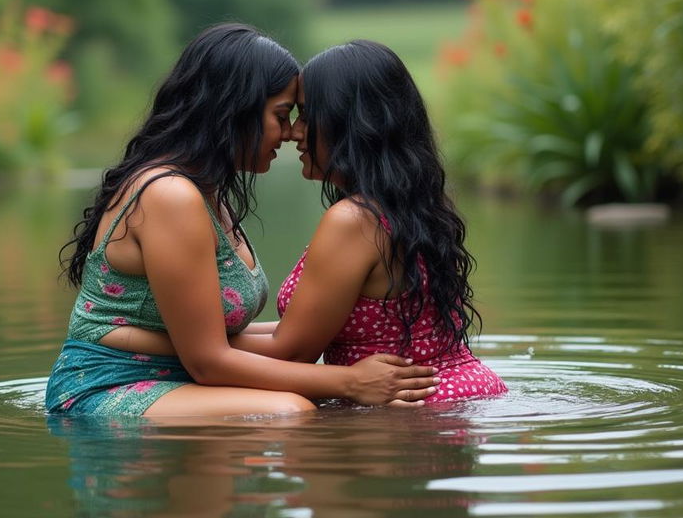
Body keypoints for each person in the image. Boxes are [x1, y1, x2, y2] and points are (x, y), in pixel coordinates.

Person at [45, 25, 440, 418]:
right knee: (289, 411)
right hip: (110, 383)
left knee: (308, 402)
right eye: (282, 116)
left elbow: (222, 343)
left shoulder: (206, 194)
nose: (290, 134)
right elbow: (208, 360)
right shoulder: (170, 196)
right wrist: (348, 381)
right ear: (234, 111)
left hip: (178, 377)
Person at [229, 40, 508, 401]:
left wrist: (183, 351)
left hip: (412, 415)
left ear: (349, 124)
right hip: (459, 394)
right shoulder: (407, 206)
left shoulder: (353, 220)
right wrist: (201, 339)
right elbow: (297, 333)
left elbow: (292, 352)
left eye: (307, 115)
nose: (295, 132)